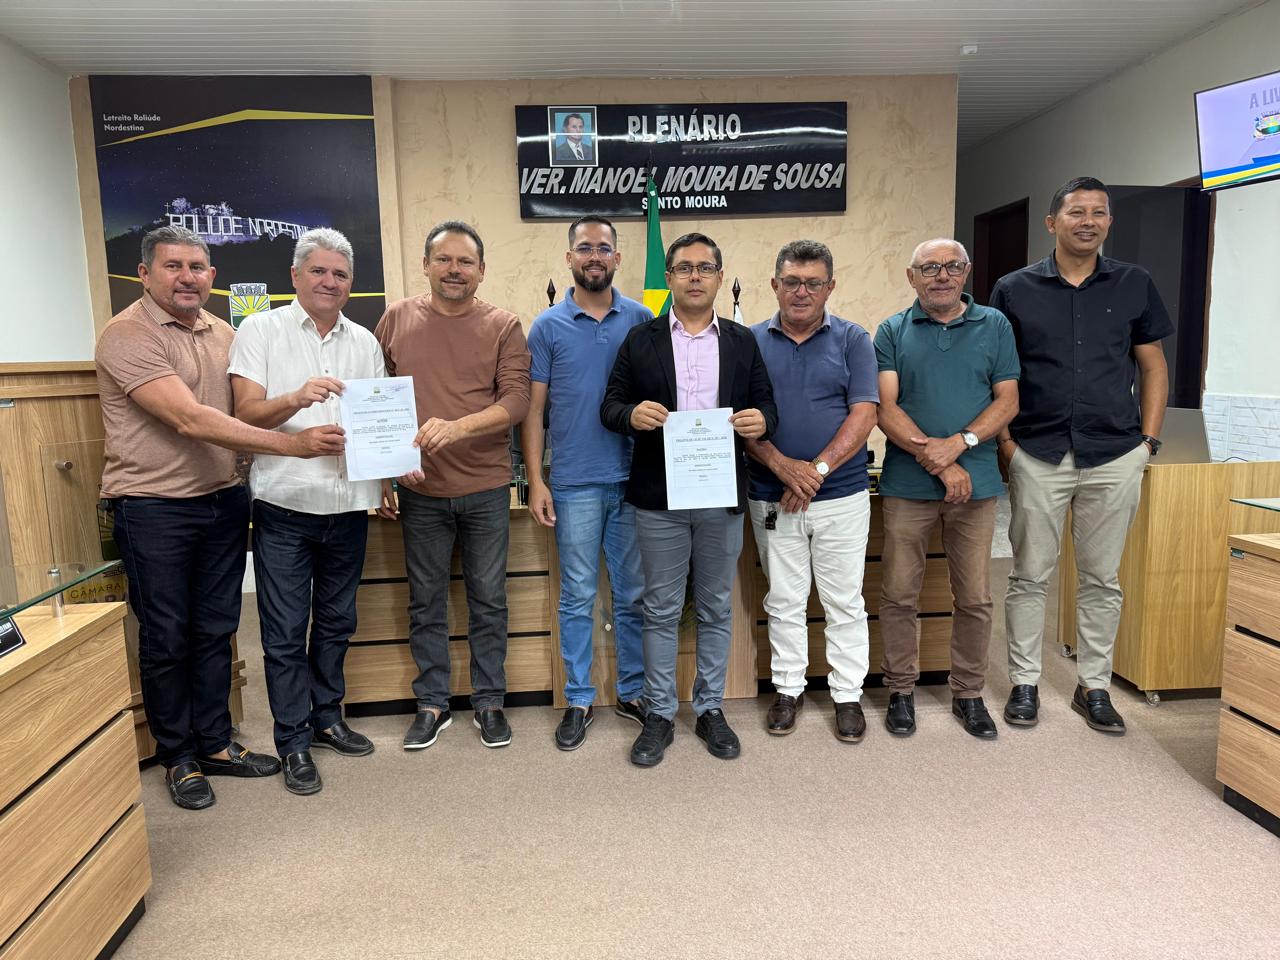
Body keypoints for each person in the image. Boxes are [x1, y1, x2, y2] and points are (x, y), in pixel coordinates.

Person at [96, 225, 346, 810]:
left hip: (222, 499)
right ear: (145, 274)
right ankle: (178, 756)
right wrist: (294, 446)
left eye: (197, 267)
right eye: (173, 266)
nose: (187, 278)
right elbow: (189, 419)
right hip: (153, 506)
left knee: (216, 629)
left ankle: (214, 742)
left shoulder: (225, 333)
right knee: (166, 636)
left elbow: (247, 410)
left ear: (212, 276)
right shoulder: (127, 334)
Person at [991, 176, 1173, 735]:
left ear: (1109, 222)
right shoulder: (1014, 289)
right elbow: (997, 373)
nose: (1087, 221)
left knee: (1101, 578)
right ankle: (1024, 683)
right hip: (1038, 450)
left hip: (1114, 452)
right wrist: (1006, 443)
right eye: (1076, 212)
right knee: (1029, 575)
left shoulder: (1135, 283)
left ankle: (1094, 686)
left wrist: (1147, 443)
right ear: (1053, 222)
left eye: (1098, 212)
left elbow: (1153, 367)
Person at [601, 232, 777, 767]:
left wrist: (761, 420)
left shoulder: (743, 341)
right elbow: (610, 406)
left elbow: (768, 406)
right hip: (659, 498)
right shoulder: (641, 339)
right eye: (684, 268)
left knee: (716, 606)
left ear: (720, 277)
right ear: (670, 278)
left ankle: (709, 708)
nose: (694, 276)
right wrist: (631, 415)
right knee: (659, 607)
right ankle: (658, 712)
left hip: (720, 496)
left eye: (704, 268)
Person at [228, 228, 385, 795]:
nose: (329, 282)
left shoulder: (364, 341)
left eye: (340, 274)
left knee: (338, 623)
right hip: (285, 507)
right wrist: (297, 397)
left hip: (349, 506)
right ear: (295, 276)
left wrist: (391, 469)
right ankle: (292, 740)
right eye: (318, 271)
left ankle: (326, 718)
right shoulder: (259, 330)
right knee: (285, 632)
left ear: (351, 283)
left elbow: (377, 420)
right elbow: (244, 416)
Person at [375, 220, 531, 750]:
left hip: (486, 487)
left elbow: (517, 401)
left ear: (481, 271)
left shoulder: (504, 325)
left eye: (465, 261)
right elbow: (377, 399)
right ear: (425, 265)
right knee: (426, 602)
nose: (454, 270)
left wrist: (457, 428)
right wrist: (387, 469)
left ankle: (489, 701)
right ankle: (432, 704)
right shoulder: (395, 319)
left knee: (489, 600)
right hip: (420, 490)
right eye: (443, 259)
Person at [874, 239, 1020, 739]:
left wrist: (960, 444)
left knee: (975, 596)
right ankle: (900, 690)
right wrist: (935, 460)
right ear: (911, 276)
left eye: (952, 267)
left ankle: (968, 692)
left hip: (975, 485)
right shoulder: (892, 330)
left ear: (967, 272)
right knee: (898, 593)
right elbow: (885, 407)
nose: (941, 276)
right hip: (907, 485)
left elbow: (1007, 401)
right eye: (930, 267)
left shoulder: (994, 325)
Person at [523, 216, 653, 750]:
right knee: (577, 596)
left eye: (603, 248)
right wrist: (537, 479)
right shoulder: (547, 327)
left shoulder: (642, 319)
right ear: (569, 258)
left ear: (617, 258)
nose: (594, 256)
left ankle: (633, 692)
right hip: (574, 482)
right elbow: (533, 412)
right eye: (584, 248)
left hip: (635, 481)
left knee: (632, 595)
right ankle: (578, 698)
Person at [743, 240, 879, 742]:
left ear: (830, 286)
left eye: (813, 283)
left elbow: (865, 412)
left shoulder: (853, 339)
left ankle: (847, 695)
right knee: (783, 599)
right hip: (770, 493)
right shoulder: (748, 341)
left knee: (844, 600)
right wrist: (783, 467)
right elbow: (738, 419)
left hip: (841, 494)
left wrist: (815, 471)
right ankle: (787, 689)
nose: (802, 292)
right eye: (792, 282)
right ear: (774, 285)